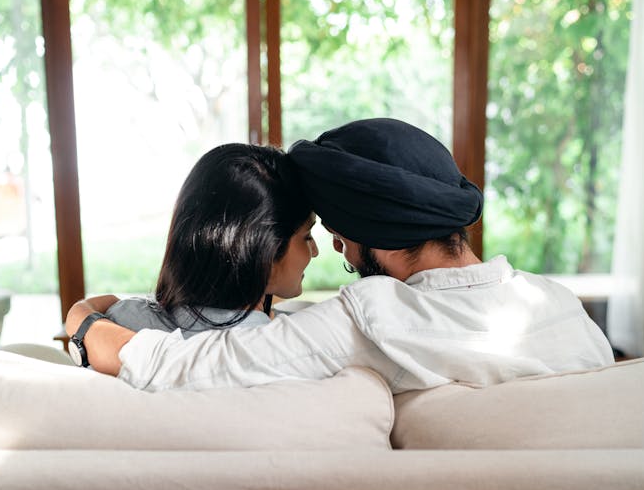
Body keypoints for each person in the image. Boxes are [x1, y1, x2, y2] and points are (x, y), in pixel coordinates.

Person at [66, 118, 614, 393]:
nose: (335, 248)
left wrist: (82, 318)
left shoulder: (373, 316)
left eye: (341, 234)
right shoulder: (560, 304)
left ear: (379, 232)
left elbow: (180, 367)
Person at [66, 143, 318, 368]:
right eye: (307, 236)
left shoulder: (124, 322)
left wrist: (81, 314)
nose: (315, 250)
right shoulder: (297, 345)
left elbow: (104, 304)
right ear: (265, 251)